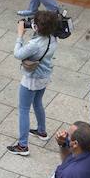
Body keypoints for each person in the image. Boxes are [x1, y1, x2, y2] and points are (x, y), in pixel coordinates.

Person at [8, 11, 60, 155]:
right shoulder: (53, 38)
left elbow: (18, 54)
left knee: (24, 109)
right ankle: (41, 131)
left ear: (37, 27)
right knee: (37, 102)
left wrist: (20, 35)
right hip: (44, 76)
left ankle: (23, 145)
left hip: (32, 79)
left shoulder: (35, 44)